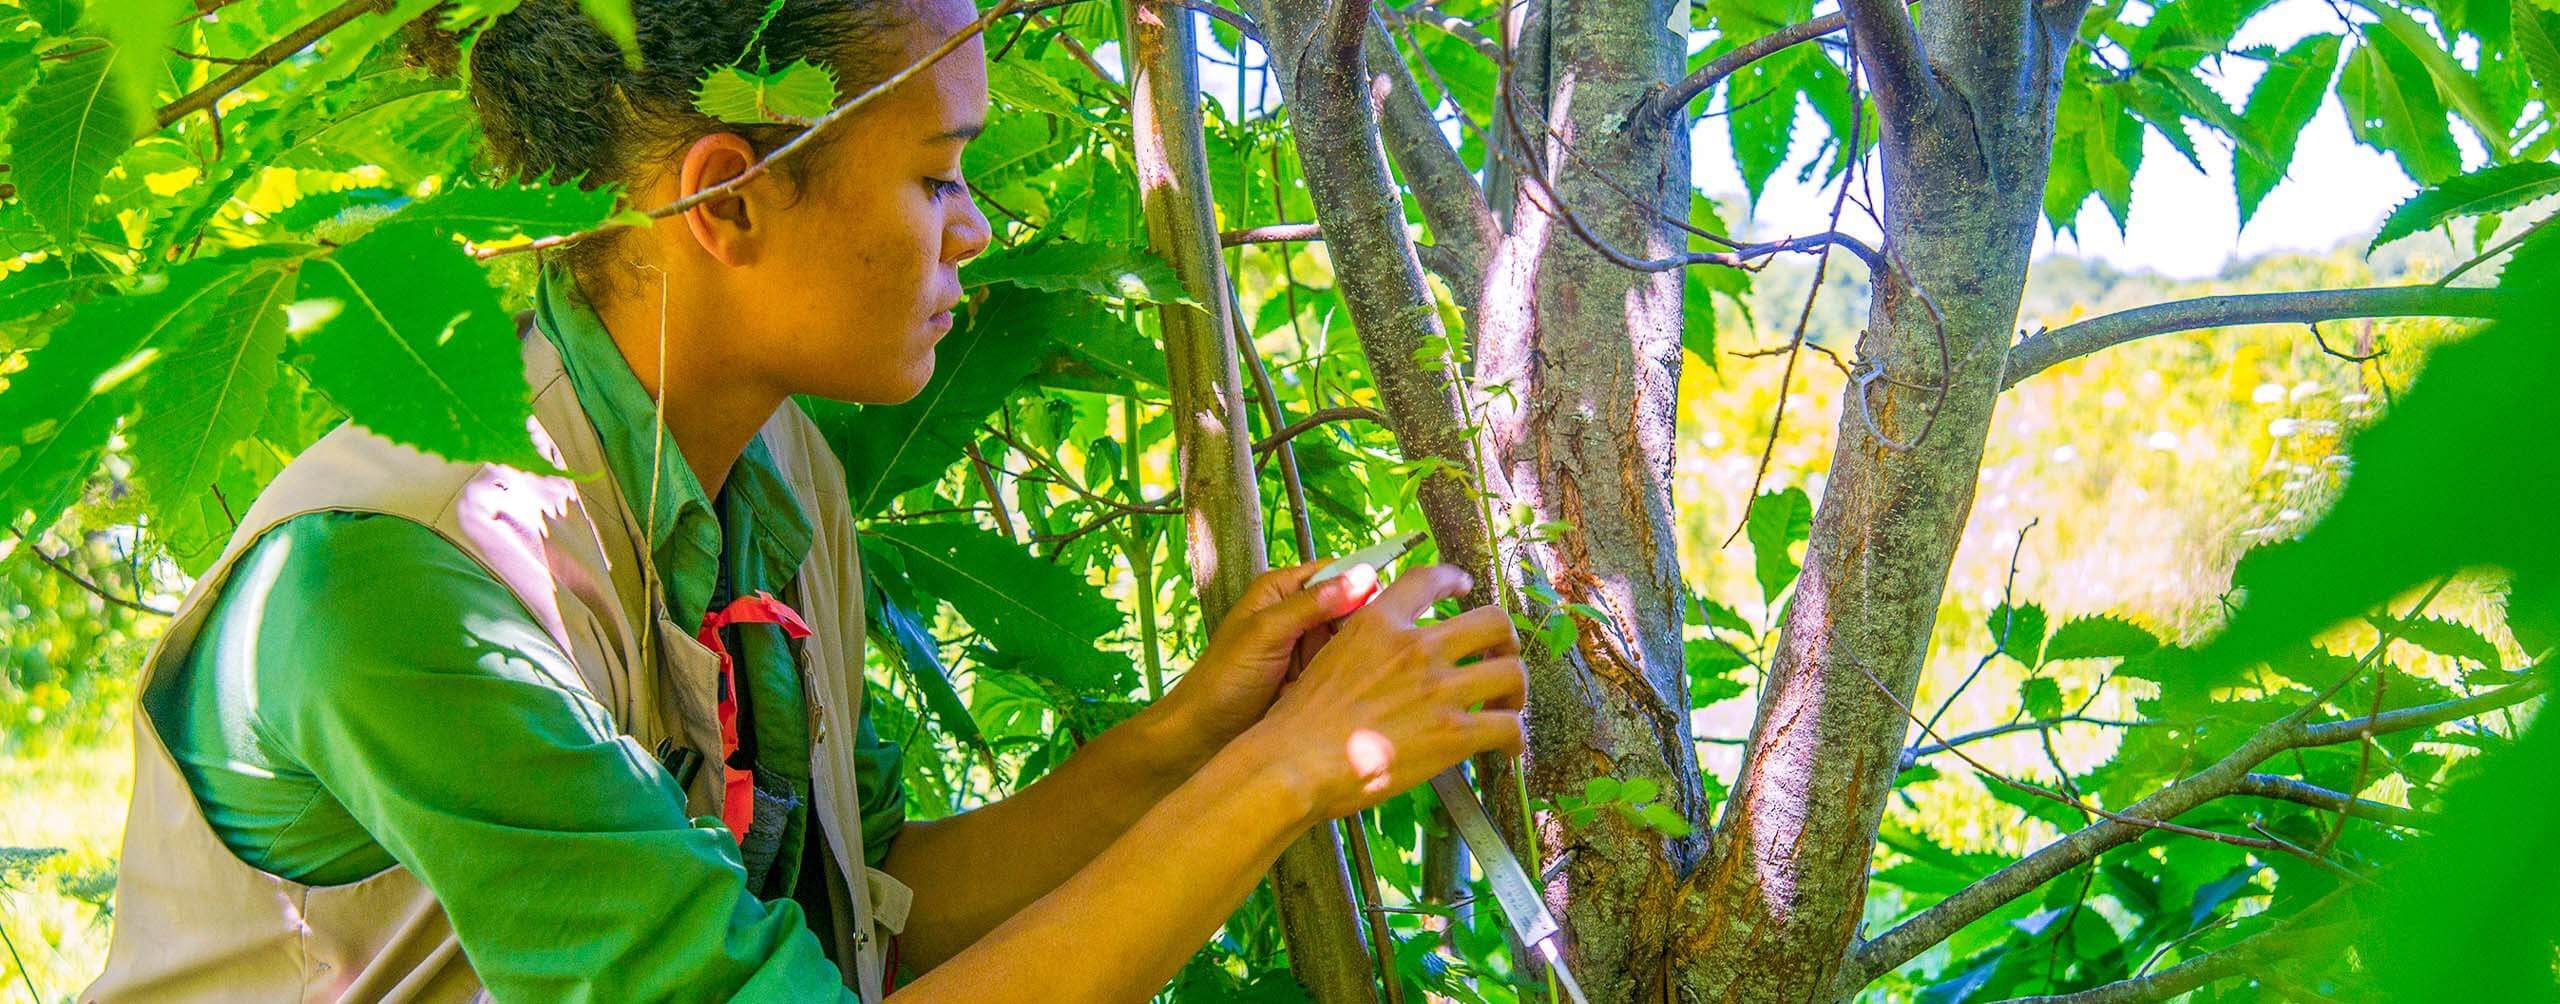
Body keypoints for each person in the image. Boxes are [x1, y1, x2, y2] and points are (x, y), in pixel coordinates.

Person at [81, 0, 1528, 1001]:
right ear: (728, 202)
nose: (973, 229)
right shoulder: (406, 583)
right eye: (938, 176)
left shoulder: (778, 475)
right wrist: (1293, 775)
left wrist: (1199, 732)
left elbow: (866, 907)